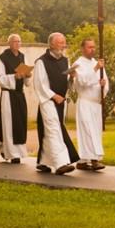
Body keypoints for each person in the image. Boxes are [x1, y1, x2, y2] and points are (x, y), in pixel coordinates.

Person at [32, 32, 78, 175]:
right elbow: (39, 84)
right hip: (48, 101)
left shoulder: (65, 60)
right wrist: (53, 96)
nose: (63, 45)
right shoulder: (41, 62)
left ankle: (44, 161)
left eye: (64, 42)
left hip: (61, 101)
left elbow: (69, 83)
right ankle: (60, 164)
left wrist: (72, 78)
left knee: (49, 131)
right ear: (51, 44)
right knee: (53, 130)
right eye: (60, 42)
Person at [71, 39, 109, 171]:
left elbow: (105, 81)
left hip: (96, 104)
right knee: (87, 131)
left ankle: (82, 161)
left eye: (94, 47)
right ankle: (94, 160)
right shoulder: (78, 64)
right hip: (85, 102)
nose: (93, 49)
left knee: (95, 131)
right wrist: (96, 69)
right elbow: (82, 81)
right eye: (89, 47)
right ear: (82, 48)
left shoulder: (97, 63)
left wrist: (104, 85)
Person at [0, 34, 31, 163]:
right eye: (15, 41)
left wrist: (28, 75)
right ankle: (10, 152)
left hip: (19, 94)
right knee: (9, 124)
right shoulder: (3, 59)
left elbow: (26, 79)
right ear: (9, 43)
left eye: (19, 41)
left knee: (20, 123)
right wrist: (13, 77)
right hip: (8, 94)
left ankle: (19, 151)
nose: (17, 44)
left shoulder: (22, 57)